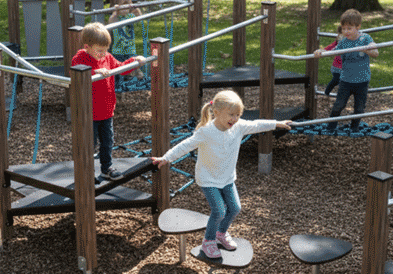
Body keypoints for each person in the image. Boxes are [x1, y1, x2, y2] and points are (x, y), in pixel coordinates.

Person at [151, 90, 292, 259]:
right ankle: (208, 241)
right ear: (216, 113)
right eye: (231, 114)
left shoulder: (238, 127)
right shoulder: (206, 132)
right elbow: (185, 146)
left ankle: (220, 233)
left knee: (234, 208)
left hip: (227, 178)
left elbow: (256, 124)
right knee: (219, 210)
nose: (235, 118)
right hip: (208, 178)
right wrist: (166, 158)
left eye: (238, 114)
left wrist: (277, 123)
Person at [71, 22, 147, 181]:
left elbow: (121, 68)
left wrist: (135, 61)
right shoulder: (80, 58)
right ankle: (86, 173)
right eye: (99, 50)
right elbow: (77, 73)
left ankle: (106, 168)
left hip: (106, 110)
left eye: (105, 49)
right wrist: (95, 71)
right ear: (87, 46)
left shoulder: (107, 57)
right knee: (88, 145)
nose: (103, 53)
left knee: (107, 142)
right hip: (88, 112)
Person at [314, 9, 379, 132]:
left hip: (362, 81)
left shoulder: (365, 38)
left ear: (358, 26)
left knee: (359, 107)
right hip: (346, 81)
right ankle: (331, 127)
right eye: (343, 29)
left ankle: (354, 127)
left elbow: (375, 52)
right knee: (339, 104)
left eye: (349, 28)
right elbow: (333, 52)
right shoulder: (344, 42)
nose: (346, 31)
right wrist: (322, 51)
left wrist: (366, 48)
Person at [109, 0, 143, 91]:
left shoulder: (130, 17)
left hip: (129, 48)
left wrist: (135, 7)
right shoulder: (115, 18)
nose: (125, 10)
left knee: (134, 61)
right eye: (122, 7)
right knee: (117, 69)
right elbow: (111, 21)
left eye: (126, 7)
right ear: (118, 8)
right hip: (117, 50)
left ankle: (136, 71)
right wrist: (115, 11)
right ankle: (117, 87)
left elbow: (139, 17)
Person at [322, 25, 343, 96]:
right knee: (336, 80)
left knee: (343, 82)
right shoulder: (339, 42)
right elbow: (330, 47)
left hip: (346, 67)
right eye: (342, 33)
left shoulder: (352, 42)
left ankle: (341, 96)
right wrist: (323, 50)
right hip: (337, 67)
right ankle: (327, 92)